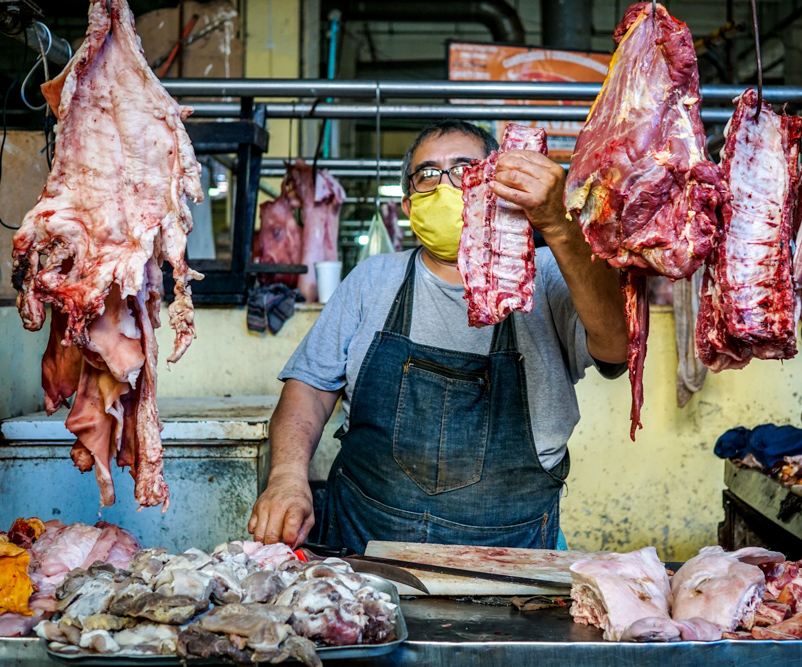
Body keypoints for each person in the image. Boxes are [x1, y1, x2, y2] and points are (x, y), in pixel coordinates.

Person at [249, 119, 629, 553]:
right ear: (410, 206)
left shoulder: (546, 277)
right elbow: (311, 389)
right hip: (363, 547)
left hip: (511, 557)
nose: (446, 186)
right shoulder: (374, 279)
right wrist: (286, 477)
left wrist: (560, 227)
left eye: (465, 169)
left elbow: (616, 348)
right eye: (428, 174)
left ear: (498, 185)